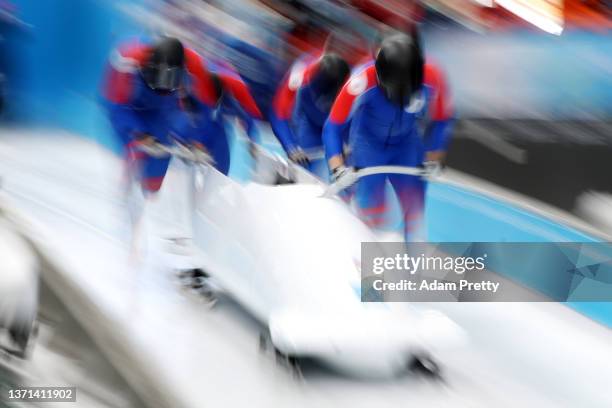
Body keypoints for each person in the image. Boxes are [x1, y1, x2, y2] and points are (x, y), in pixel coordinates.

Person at [101, 36, 262, 257]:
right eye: (163, 77)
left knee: (153, 184)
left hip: (163, 110)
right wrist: (137, 134)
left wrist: (196, 143)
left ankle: (153, 194)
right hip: (131, 103)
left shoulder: (201, 70)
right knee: (136, 152)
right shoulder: (126, 60)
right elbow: (115, 107)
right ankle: (129, 193)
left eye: (173, 78)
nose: (166, 83)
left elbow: (203, 114)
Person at [322, 32, 453, 241]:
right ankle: (360, 252)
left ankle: (414, 270)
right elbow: (333, 127)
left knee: (414, 209)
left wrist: (434, 158)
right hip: (368, 144)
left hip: (406, 145)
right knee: (372, 206)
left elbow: (443, 120)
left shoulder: (434, 77)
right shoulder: (361, 81)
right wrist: (338, 168)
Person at [269, 39, 352, 179]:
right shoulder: (300, 75)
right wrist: (290, 146)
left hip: (339, 117)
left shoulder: (355, 82)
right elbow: (278, 114)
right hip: (309, 119)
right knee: (305, 167)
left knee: (350, 164)